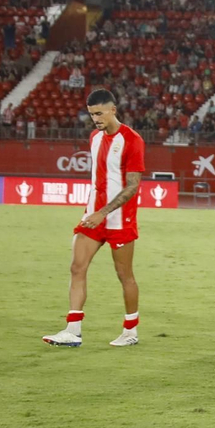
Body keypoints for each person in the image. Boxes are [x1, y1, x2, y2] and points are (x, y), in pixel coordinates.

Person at [43, 88, 145, 348]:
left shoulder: (132, 140)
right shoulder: (94, 138)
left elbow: (133, 186)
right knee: (77, 267)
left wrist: (104, 213)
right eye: (91, 115)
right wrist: (95, 212)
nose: (95, 119)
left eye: (99, 113)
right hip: (93, 216)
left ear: (113, 110)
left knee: (125, 276)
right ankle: (73, 330)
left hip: (119, 220)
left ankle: (130, 331)